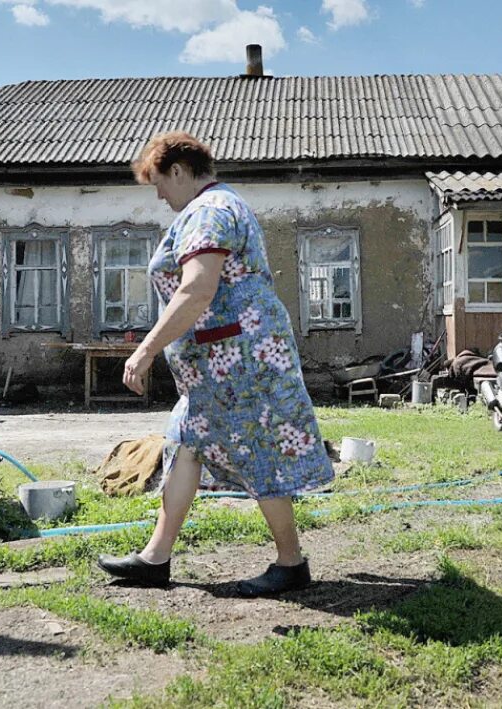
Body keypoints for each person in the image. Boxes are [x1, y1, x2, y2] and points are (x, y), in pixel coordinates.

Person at [97, 132, 334, 597]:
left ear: (179, 172)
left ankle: (291, 563)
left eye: (159, 184)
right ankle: (155, 558)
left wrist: (144, 350)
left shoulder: (208, 211)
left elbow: (196, 290)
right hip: (216, 370)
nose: (160, 196)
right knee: (183, 444)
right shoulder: (217, 206)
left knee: (259, 451)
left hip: (240, 367)